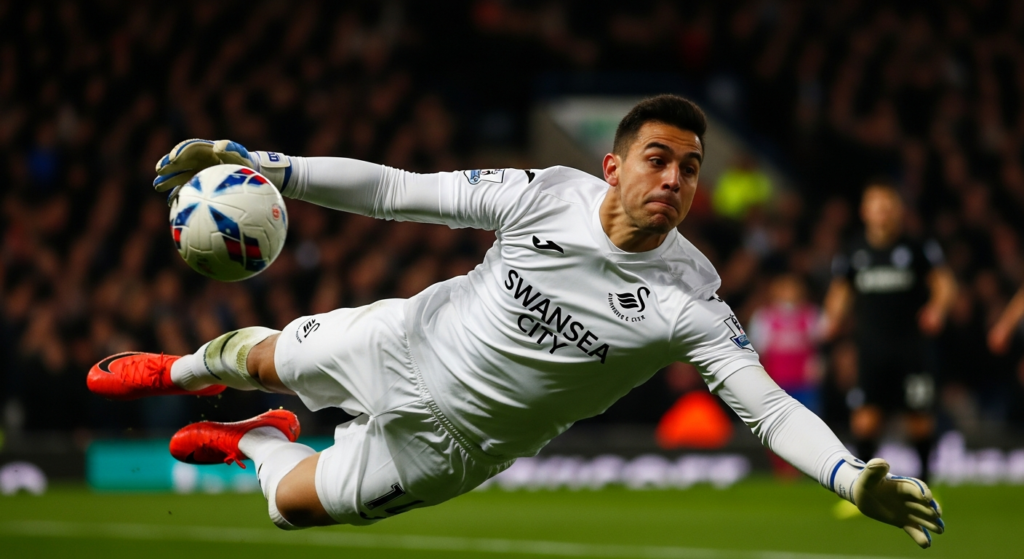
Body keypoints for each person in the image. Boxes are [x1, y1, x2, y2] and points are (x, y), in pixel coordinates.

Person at [87, 96, 943, 547]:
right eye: (658, 159)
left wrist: (849, 475)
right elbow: (394, 191)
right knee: (259, 354)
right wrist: (265, 164)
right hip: (406, 339)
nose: (676, 179)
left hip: (455, 444)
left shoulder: (691, 301)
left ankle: (254, 442)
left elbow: (767, 407)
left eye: (691, 167)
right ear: (612, 166)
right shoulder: (542, 194)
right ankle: (178, 372)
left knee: (290, 509)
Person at [822, 182, 956, 484]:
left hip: (911, 348)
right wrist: (831, 319)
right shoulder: (854, 250)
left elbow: (944, 283)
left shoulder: (917, 247)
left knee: (919, 419)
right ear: (865, 212)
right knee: (865, 420)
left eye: (888, 206)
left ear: (898, 211)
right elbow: (841, 290)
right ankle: (867, 486)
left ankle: (926, 484)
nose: (883, 213)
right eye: (876, 206)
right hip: (870, 348)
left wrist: (937, 308)